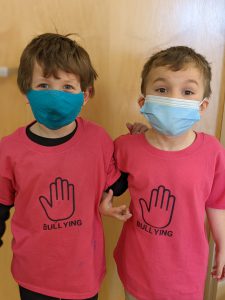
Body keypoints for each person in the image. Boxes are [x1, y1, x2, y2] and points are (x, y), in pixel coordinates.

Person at [0, 33, 135, 300]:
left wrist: (138, 147)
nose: (54, 95)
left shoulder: (97, 139)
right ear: (26, 91)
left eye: (67, 87)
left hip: (82, 274)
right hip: (33, 275)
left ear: (85, 95)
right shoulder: (9, 149)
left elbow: (115, 186)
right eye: (43, 85)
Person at [100, 46, 225, 300]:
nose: (173, 99)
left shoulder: (212, 151)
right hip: (137, 269)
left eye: (187, 91)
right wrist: (106, 205)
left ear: (202, 106)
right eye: (161, 90)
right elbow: (109, 185)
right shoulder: (125, 146)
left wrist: (223, 245)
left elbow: (217, 202)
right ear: (143, 102)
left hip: (186, 274)